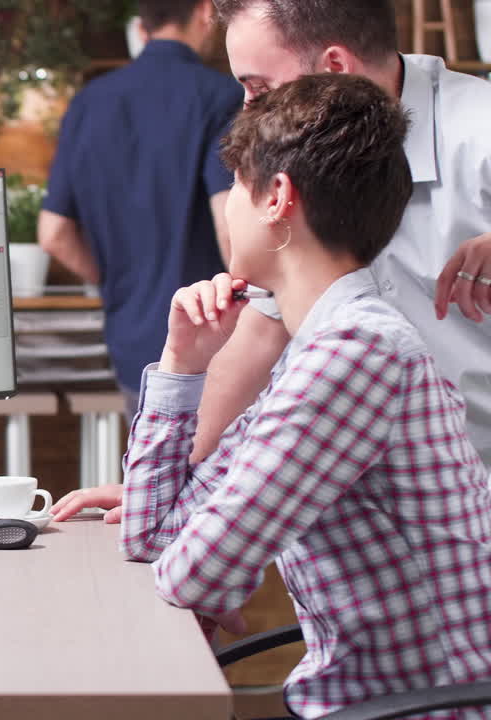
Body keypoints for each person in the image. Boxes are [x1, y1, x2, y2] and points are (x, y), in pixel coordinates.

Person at [122, 73, 491, 719]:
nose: (228, 206)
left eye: (237, 184)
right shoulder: (316, 350)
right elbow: (153, 535)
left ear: (278, 198)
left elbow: (195, 576)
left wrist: (198, 545)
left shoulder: (355, 354)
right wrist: (183, 364)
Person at [51, 0, 491, 524]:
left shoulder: (479, 130)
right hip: (377, 521)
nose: (247, 107)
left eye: (257, 87)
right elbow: (261, 329)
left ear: (334, 67)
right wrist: (160, 486)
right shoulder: (298, 151)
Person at [38, 0, 241, 419]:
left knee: (154, 469)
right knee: (219, 480)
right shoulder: (222, 97)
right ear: (205, 13)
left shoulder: (88, 103)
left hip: (129, 339)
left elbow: (53, 233)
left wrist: (118, 283)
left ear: (141, 25)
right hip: (212, 337)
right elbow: (230, 228)